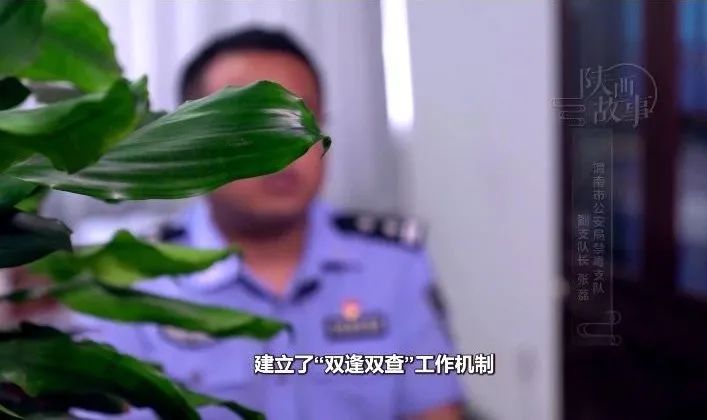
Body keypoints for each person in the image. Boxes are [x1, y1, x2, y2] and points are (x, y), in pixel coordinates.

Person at [74, 28, 464, 420]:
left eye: (302, 121)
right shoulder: (131, 279)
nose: (284, 148)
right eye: (248, 128)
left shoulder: (391, 265)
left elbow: (433, 410)